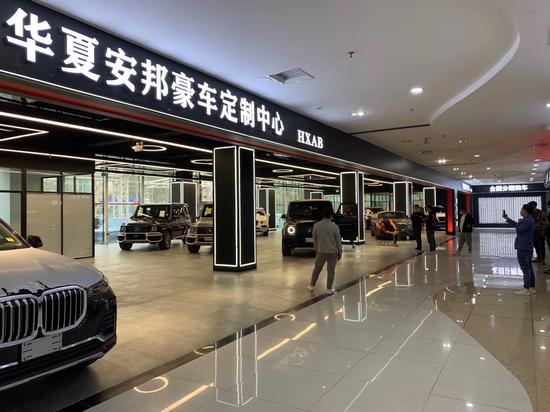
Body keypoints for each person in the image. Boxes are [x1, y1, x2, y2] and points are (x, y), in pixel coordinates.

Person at [307, 207, 343, 295]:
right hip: (333, 252)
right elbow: (338, 241)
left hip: (321, 251)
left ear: (323, 215)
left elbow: (314, 239)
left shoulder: (317, 225)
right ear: (331, 215)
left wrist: (317, 248)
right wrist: (340, 252)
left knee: (317, 269)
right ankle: (328, 289)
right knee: (331, 271)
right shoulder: (334, 226)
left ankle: (312, 286)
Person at [503, 204, 536, 295]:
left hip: (523, 247)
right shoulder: (528, 219)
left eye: (522, 209)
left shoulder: (528, 220)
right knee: (528, 267)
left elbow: (519, 229)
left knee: (525, 268)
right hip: (526, 246)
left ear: (525, 210)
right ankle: (532, 287)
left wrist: (519, 222)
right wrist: (507, 219)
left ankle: (526, 288)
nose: (520, 210)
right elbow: (517, 225)